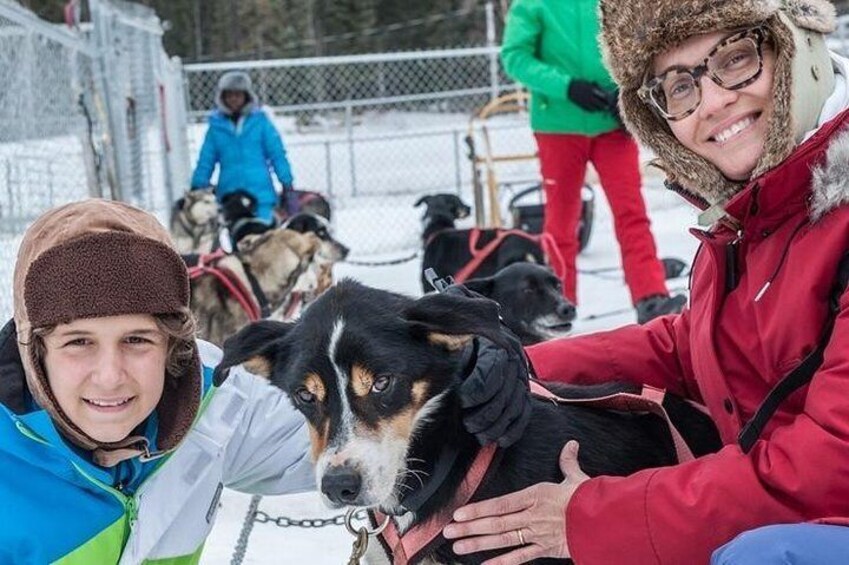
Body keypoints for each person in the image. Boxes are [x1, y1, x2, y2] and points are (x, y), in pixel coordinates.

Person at [444, 0, 849, 563]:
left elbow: (830, 467)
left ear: (793, 45)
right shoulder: (755, 215)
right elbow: (699, 348)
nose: (711, 101)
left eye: (736, 58)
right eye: (678, 87)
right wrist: (520, 363)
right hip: (560, 120)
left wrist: (590, 520)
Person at [0, 199, 528, 563]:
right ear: (34, 348)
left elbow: (351, 433)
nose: (111, 375)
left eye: (137, 340)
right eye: (78, 342)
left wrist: (467, 357)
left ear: (173, 345)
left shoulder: (212, 402)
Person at [500, 0, 686, 324]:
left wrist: (627, 92)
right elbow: (515, 57)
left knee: (632, 213)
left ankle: (651, 297)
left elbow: (640, 47)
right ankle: (557, 303)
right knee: (561, 222)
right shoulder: (532, 4)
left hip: (612, 125)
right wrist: (567, 87)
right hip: (558, 126)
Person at [190, 70, 299, 230]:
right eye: (229, 95)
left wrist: (287, 183)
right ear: (222, 97)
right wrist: (197, 186)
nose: (234, 99)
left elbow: (277, 154)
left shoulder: (261, 122)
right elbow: (206, 159)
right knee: (239, 243)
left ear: (246, 96)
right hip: (230, 196)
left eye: (238, 95)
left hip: (261, 195)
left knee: (265, 242)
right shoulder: (216, 127)